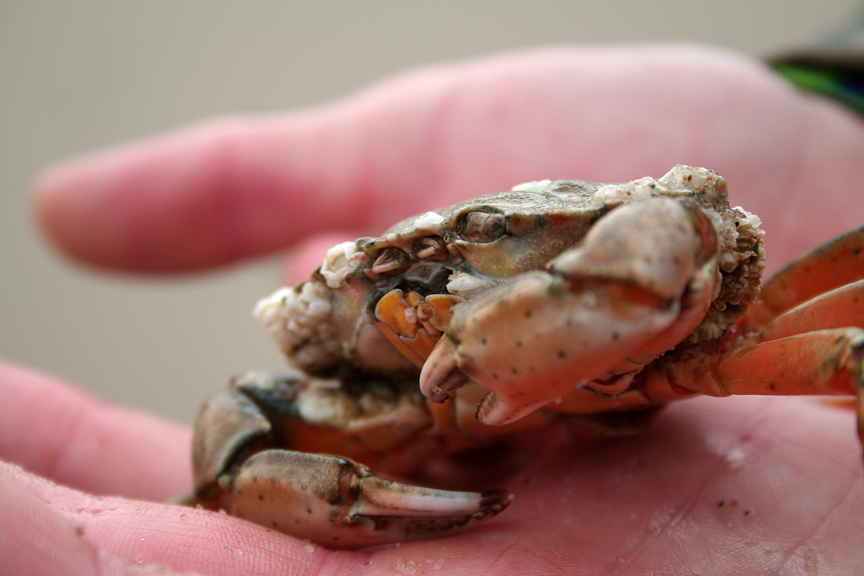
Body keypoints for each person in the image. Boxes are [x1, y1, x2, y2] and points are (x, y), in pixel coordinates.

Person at [3, 45, 864, 575]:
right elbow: (232, 440)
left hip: (669, 348)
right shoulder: (397, 371)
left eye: (485, 242)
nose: (421, 298)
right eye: (393, 280)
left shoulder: (658, 241)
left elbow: (670, 246)